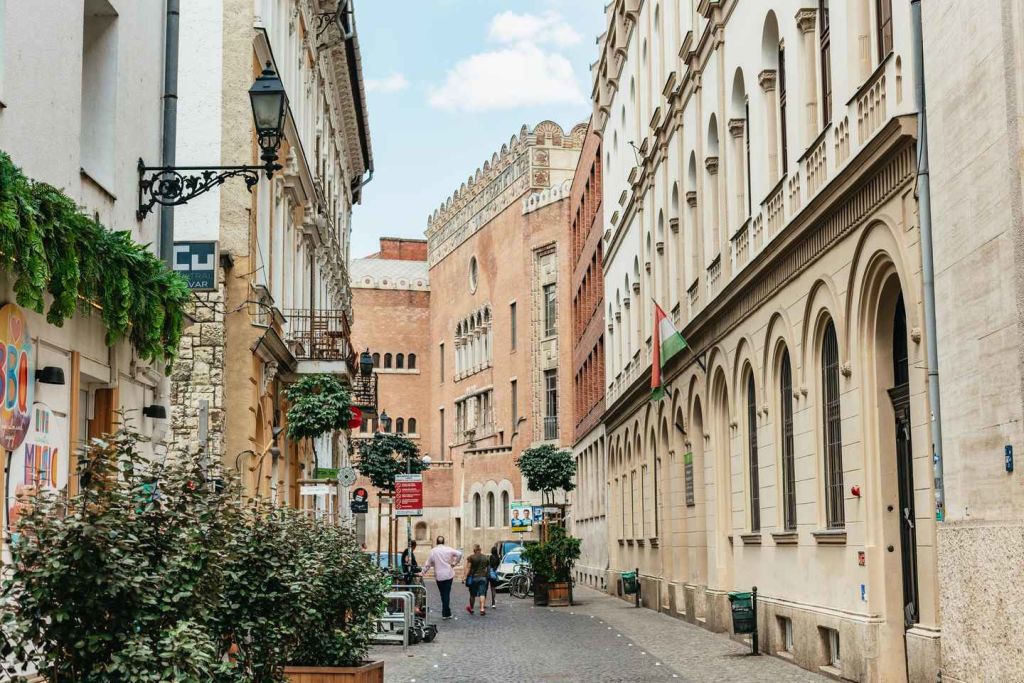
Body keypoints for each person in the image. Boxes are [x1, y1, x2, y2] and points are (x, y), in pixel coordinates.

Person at [423, 535, 462, 620]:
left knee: (443, 594)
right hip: (448, 574)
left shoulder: (433, 551)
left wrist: (423, 572)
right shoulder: (448, 549)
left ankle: (446, 612)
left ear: (436, 542)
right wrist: (455, 563)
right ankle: (446, 613)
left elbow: (428, 564)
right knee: (446, 593)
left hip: (439, 575)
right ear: (443, 542)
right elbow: (459, 553)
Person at [464, 543, 490, 616]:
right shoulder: (485, 558)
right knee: (482, 594)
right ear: (480, 550)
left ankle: (472, 608)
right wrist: (487, 576)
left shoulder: (471, 557)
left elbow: (468, 568)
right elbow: (488, 568)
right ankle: (482, 609)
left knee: (472, 594)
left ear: (474, 550)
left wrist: (465, 577)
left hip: (474, 578)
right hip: (483, 578)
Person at [487, 544, 501, 609]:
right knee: (493, 589)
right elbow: (498, 565)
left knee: (490, 588)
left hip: (491, 573)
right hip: (496, 573)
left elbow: (490, 565)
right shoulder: (498, 557)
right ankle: (493, 603)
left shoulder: (491, 557)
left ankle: (491, 602)